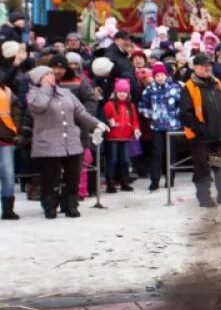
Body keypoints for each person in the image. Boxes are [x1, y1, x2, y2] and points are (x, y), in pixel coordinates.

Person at [25, 64, 107, 218]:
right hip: (48, 144)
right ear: (39, 79)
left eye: (52, 74)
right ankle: (49, 206)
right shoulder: (34, 95)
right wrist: (45, 88)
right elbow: (40, 106)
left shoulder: (66, 93)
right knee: (50, 178)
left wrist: (96, 123)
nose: (52, 76)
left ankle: (70, 205)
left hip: (71, 141)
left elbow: (81, 113)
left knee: (73, 176)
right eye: (47, 74)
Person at [179, 53, 221, 207]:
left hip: (220, 136)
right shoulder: (189, 87)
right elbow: (185, 114)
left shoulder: (217, 82)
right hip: (201, 139)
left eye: (209, 65)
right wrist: (201, 129)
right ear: (195, 67)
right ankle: (204, 198)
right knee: (202, 170)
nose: (207, 68)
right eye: (203, 65)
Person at [139, 63, 182, 191]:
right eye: (157, 75)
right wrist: (152, 115)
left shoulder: (175, 87)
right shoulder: (149, 89)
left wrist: (176, 115)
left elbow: (182, 104)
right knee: (157, 153)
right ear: (154, 77)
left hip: (172, 126)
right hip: (157, 126)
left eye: (162, 75)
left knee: (171, 153)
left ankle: (170, 179)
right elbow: (142, 106)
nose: (160, 78)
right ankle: (155, 180)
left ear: (166, 75)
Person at [102, 79, 140, 192]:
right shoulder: (109, 105)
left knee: (125, 160)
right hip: (112, 137)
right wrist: (109, 122)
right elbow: (104, 119)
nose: (122, 94)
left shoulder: (131, 106)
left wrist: (136, 129)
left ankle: (124, 182)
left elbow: (134, 120)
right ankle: (110, 183)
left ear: (128, 93)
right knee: (112, 160)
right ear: (116, 92)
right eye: (120, 92)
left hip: (126, 137)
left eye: (124, 92)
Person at [0, 75, 17, 219]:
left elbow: (16, 110)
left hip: (5, 138)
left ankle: (8, 209)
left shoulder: (7, 91)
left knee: (8, 174)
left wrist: (15, 129)